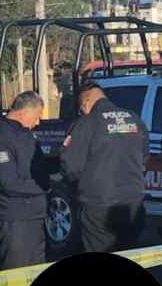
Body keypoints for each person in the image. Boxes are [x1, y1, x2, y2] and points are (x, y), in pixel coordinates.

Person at [59, 80, 149, 253]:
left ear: (85, 103)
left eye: (81, 109)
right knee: (130, 254)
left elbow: (70, 165)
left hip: (99, 206)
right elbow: (144, 157)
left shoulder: (86, 123)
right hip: (132, 202)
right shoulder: (134, 118)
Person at [0, 90, 55, 286]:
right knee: (18, 273)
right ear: (24, 111)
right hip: (16, 215)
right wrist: (43, 187)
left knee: (36, 270)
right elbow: (8, 181)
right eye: (36, 116)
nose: (37, 122)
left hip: (35, 213)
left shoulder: (25, 133)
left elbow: (38, 166)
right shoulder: (0, 135)